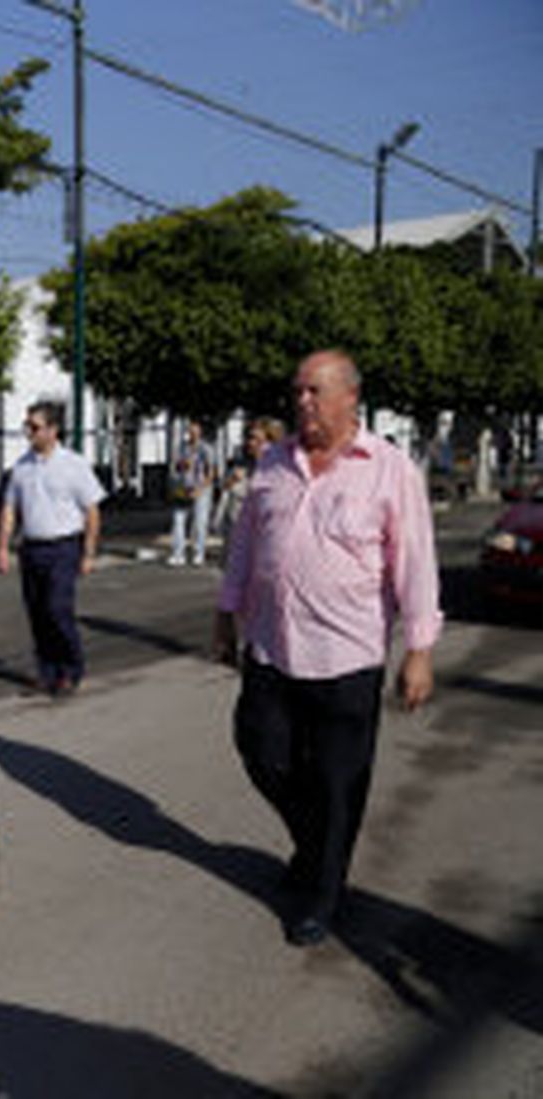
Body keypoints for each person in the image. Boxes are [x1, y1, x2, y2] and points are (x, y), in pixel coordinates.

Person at [214, 350, 441, 948]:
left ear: (350, 398)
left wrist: (419, 648)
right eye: (298, 392)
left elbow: (414, 562)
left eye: (315, 391)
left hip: (346, 657)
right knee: (262, 752)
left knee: (339, 782)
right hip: (271, 647)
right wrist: (225, 613)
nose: (303, 402)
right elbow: (245, 541)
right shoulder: (273, 461)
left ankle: (324, 892)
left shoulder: (390, 470)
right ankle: (316, 848)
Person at [0, 401, 105, 699]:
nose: (28, 432)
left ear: (53, 430)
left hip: (64, 547)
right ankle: (47, 672)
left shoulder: (73, 465)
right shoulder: (21, 467)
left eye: (35, 426)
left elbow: (92, 510)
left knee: (58, 610)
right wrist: (3, 547)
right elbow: (9, 509)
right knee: (38, 613)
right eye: (27, 426)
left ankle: (70, 669)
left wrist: (89, 553)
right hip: (31, 548)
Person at [212, 416, 285, 544]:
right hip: (236, 535)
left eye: (257, 439)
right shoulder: (240, 466)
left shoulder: (278, 471)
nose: (250, 443)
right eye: (249, 438)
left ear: (270, 442)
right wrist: (230, 482)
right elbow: (225, 497)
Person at [168, 418, 216, 567]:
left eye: (195, 430)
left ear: (200, 431)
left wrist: (201, 488)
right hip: (183, 488)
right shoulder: (182, 448)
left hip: (201, 489)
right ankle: (178, 553)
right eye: (190, 430)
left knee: (200, 522)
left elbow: (212, 471)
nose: (192, 433)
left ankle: (198, 553)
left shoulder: (206, 448)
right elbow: (175, 467)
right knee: (178, 520)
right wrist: (182, 465)